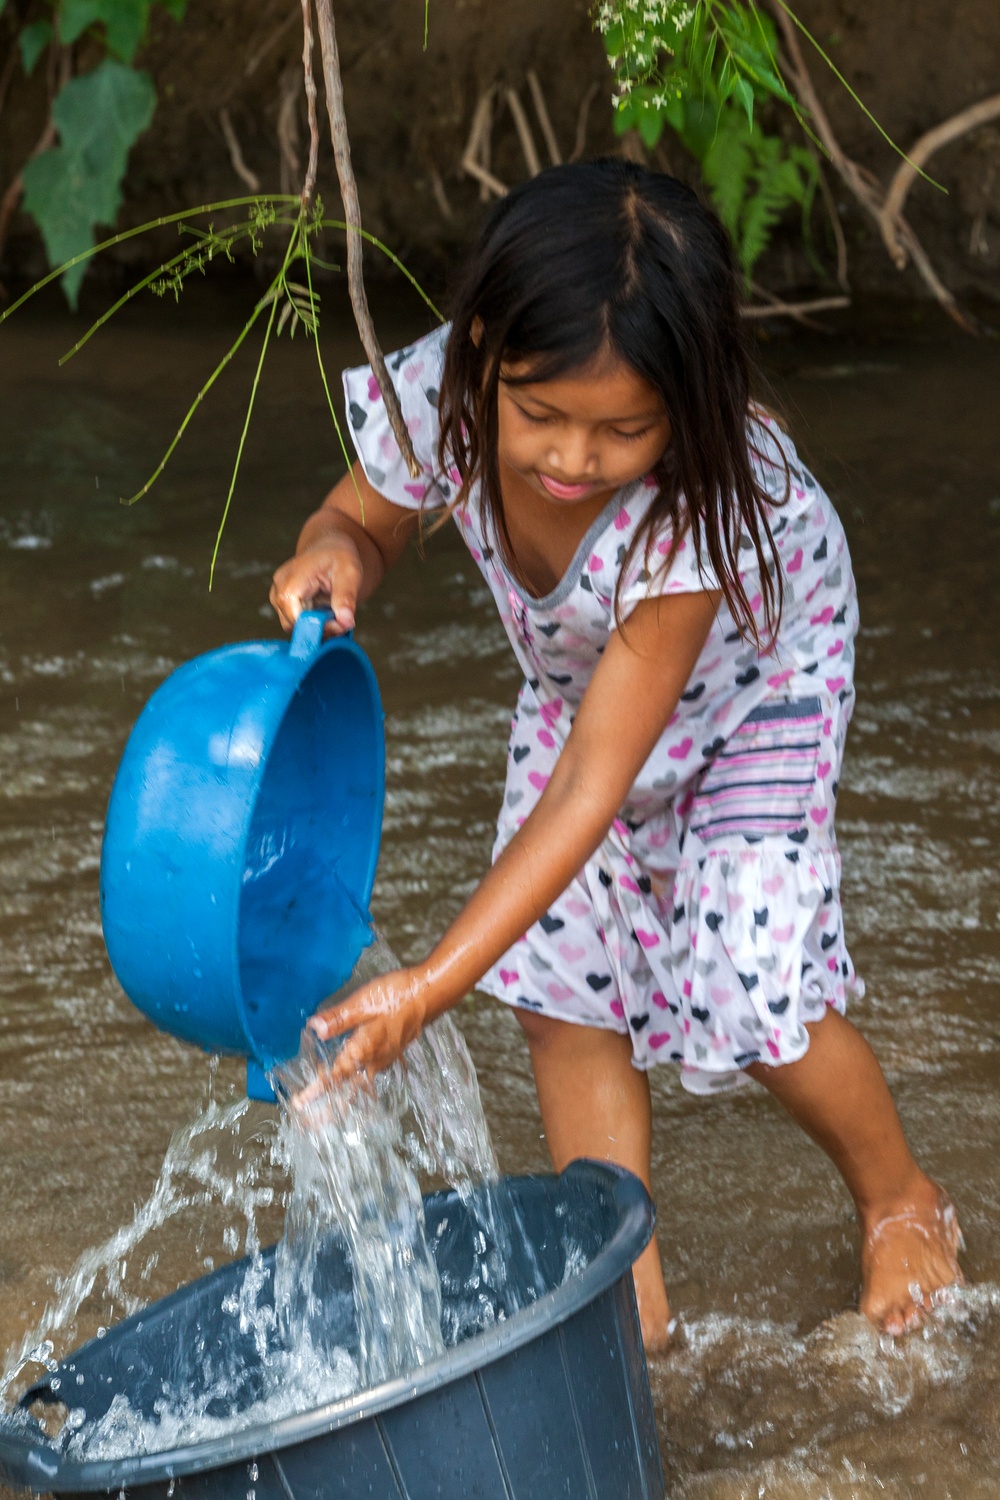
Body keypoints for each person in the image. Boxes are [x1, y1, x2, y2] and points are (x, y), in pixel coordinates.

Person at [270, 160, 963, 1349]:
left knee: (748, 984)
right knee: (557, 980)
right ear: (481, 349)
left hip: (757, 678)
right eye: (538, 415)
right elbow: (361, 522)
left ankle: (900, 1197)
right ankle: (620, 1288)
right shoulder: (440, 392)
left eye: (621, 429)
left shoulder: (697, 503)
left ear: (684, 409)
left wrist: (430, 988)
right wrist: (334, 554)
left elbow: (596, 783)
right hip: (581, 681)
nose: (572, 459)